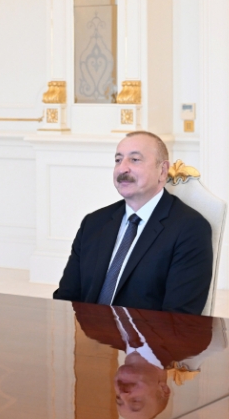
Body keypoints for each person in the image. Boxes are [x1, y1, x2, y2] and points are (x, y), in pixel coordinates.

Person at [54, 131, 213, 314]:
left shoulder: (190, 229)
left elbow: (179, 317)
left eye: (135, 160)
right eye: (118, 160)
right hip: (87, 331)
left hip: (145, 333)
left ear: (162, 171)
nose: (122, 168)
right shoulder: (94, 223)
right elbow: (65, 298)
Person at [73, 302, 214, 419]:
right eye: (135, 401)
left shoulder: (93, 329)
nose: (123, 394)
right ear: (163, 389)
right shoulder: (188, 340)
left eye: (118, 399)